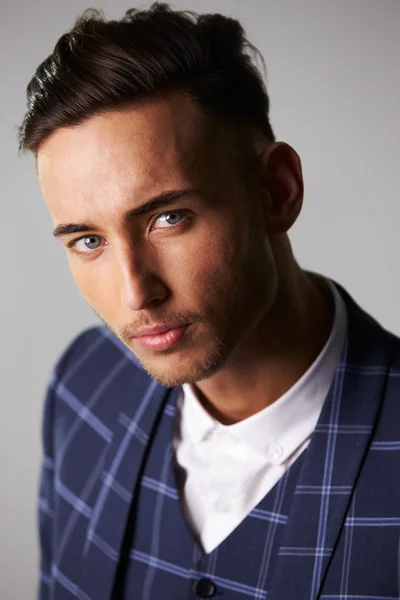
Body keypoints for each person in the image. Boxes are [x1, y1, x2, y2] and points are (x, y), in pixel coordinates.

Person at [18, 3, 400, 599]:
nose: (135, 292)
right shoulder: (82, 385)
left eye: (169, 217)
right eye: (88, 240)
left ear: (277, 191)